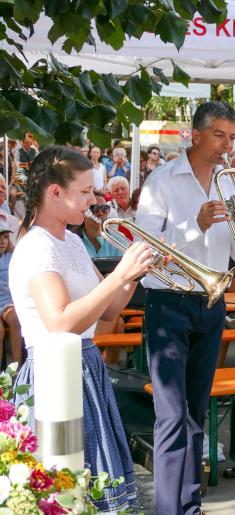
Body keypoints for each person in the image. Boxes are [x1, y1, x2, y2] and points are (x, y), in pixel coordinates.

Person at [10, 146, 150, 512]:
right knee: (67, 490)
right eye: (85, 191)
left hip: (85, 366)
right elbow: (60, 323)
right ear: (55, 193)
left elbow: (109, 310)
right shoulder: (37, 246)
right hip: (55, 373)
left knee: (90, 485)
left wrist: (133, 274)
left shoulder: (70, 240)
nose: (94, 199)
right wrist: (119, 274)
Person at [135, 102, 235, 515]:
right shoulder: (162, 180)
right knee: (171, 416)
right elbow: (146, 247)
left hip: (212, 301)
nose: (227, 145)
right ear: (197, 134)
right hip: (169, 302)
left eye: (233, 136)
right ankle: (170, 509)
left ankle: (189, 503)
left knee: (196, 414)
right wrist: (195, 225)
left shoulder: (231, 182)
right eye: (220, 135)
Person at [0, 223, 21, 366]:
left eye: (6, 237)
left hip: (6, 301)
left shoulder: (12, 256)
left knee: (15, 318)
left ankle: (16, 369)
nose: (2, 242)